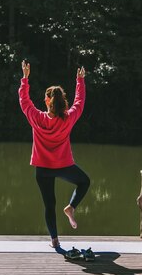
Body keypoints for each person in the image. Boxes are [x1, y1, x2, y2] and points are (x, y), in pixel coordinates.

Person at [18, 60, 91, 249]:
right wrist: (80, 80)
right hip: (64, 165)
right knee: (84, 182)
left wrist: (25, 79)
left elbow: (24, 102)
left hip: (43, 169)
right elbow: (79, 103)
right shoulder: (68, 119)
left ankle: (54, 240)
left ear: (48, 101)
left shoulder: (37, 118)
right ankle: (71, 207)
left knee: (49, 204)